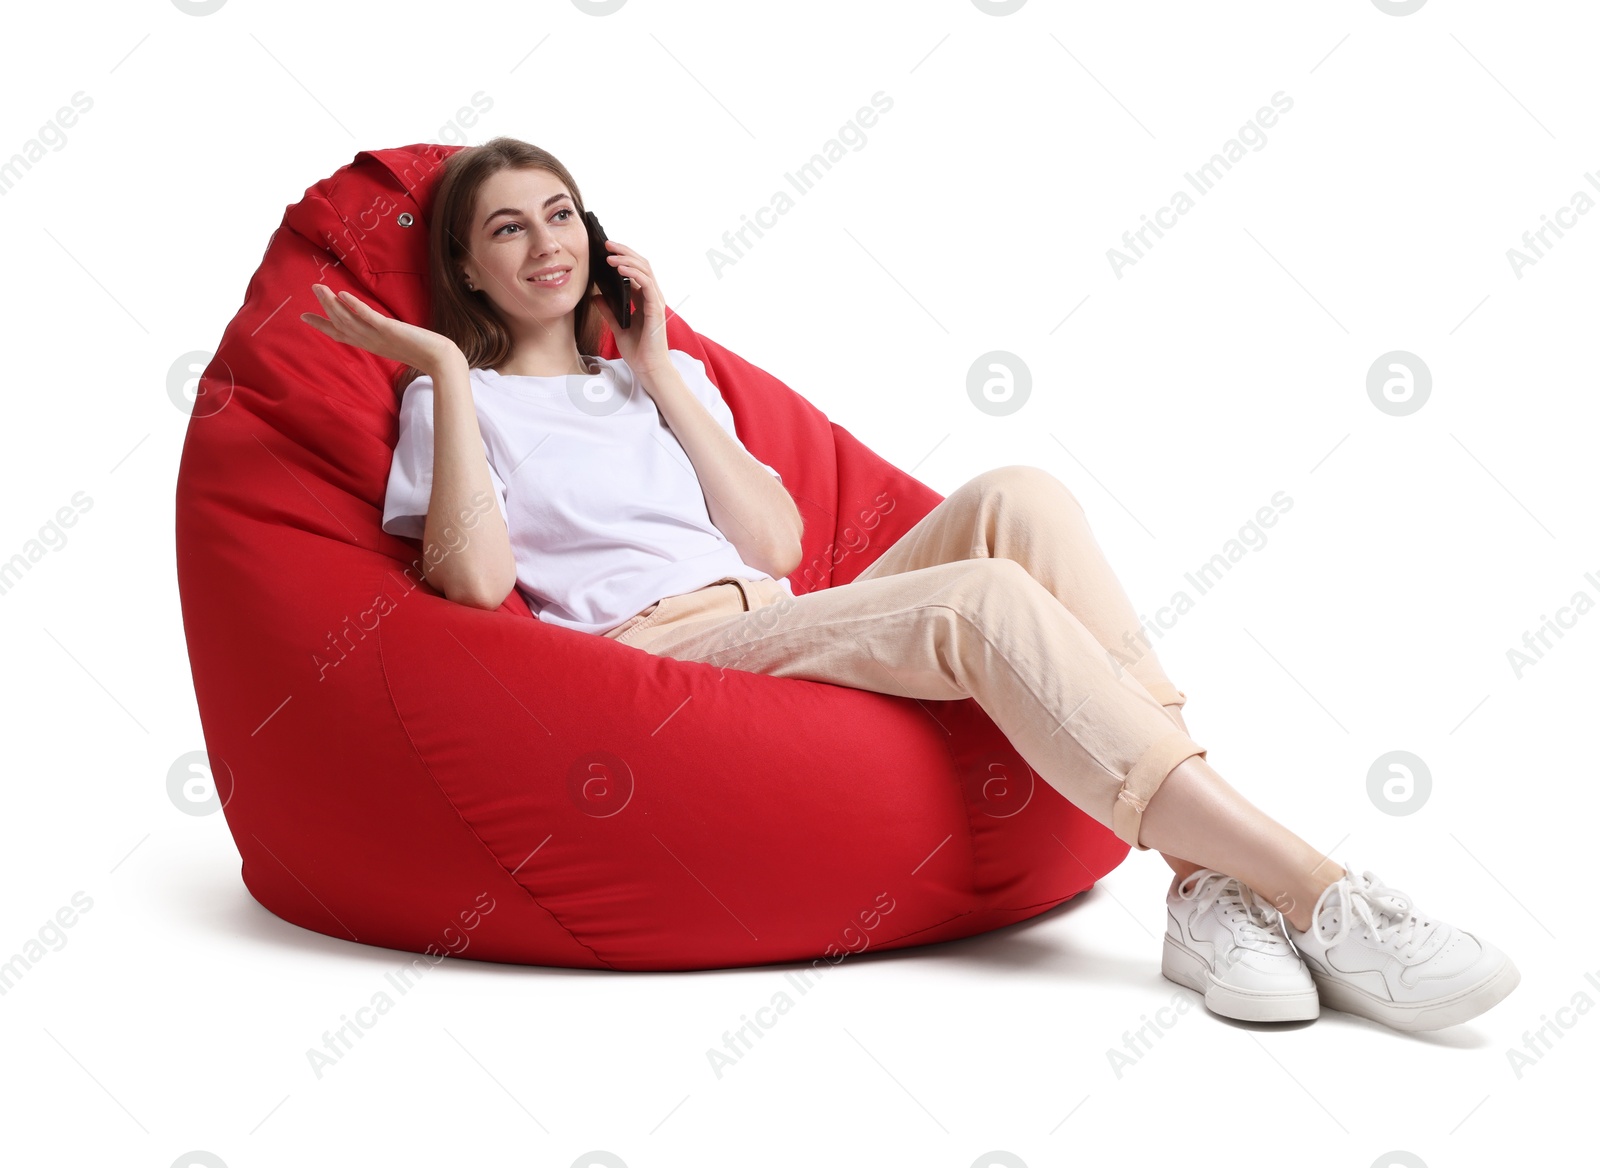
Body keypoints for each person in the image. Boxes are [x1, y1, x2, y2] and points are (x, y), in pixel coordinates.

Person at [300, 136, 1519, 1032]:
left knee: (1018, 496)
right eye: (508, 226)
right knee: (976, 597)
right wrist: (448, 377)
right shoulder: (449, 403)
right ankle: (1319, 891)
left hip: (768, 620)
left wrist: (660, 370)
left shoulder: (662, 381)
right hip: (659, 664)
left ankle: (1204, 886)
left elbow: (775, 542)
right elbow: (472, 583)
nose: (547, 243)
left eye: (561, 213)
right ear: (463, 262)